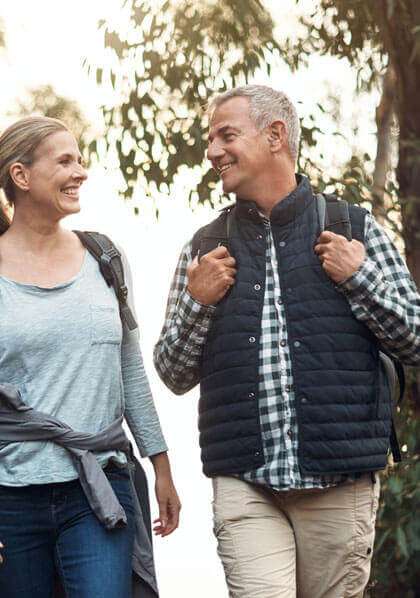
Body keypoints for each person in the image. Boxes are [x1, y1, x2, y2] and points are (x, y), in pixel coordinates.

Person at [154, 84, 420, 598]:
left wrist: (359, 278)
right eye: (210, 140)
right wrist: (198, 301)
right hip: (245, 485)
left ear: (275, 135)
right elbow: (172, 372)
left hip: (339, 483)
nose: (212, 152)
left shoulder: (354, 229)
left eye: (225, 135)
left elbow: (415, 340)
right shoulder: (204, 248)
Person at [0, 116, 180, 597]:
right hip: (7, 498)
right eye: (65, 161)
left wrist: (162, 467)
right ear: (21, 177)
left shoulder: (106, 259)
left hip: (99, 489)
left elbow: (129, 369)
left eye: (80, 160)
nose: (80, 172)